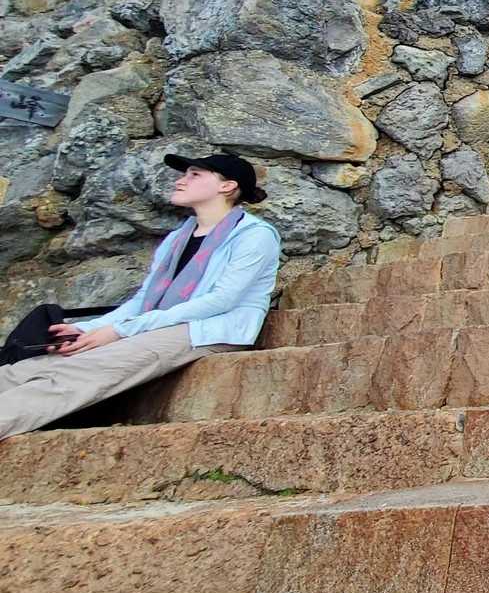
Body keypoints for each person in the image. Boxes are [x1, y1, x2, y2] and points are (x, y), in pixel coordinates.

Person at [0, 152, 282, 440]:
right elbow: (143, 299)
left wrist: (119, 331)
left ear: (227, 186)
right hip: (158, 325)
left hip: (209, 330)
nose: (181, 181)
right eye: (185, 174)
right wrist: (87, 329)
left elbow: (221, 301)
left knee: (83, 369)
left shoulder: (254, 235)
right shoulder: (178, 237)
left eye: (195, 174)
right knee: (27, 367)